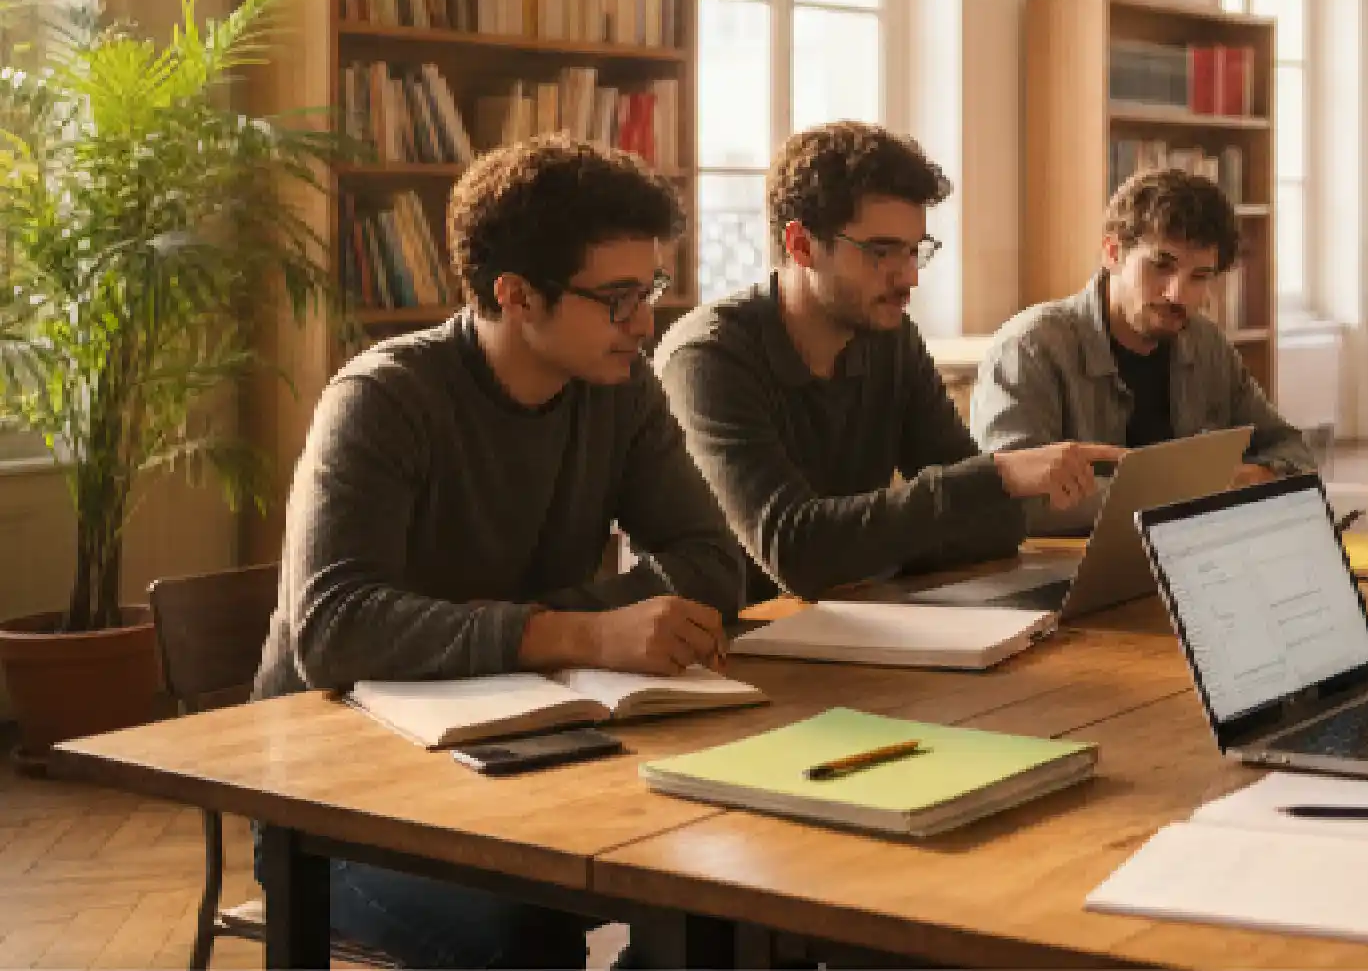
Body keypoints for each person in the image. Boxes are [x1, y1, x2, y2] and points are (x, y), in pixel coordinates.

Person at [254, 136, 746, 969]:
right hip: (337, 804)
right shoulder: (382, 399)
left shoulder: (620, 391)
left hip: (533, 766)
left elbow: (711, 564)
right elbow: (334, 628)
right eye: (619, 297)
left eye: (651, 287)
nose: (646, 321)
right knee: (526, 934)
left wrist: (560, 626)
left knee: (728, 908)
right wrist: (579, 633)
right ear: (517, 295)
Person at [657, 122, 1116, 601]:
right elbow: (796, 552)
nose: (909, 277)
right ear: (801, 246)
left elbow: (995, 526)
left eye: (915, 250)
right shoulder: (707, 359)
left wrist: (873, 541)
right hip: (722, 643)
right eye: (881, 252)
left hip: (851, 622)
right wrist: (994, 478)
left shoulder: (889, 338)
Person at [973, 167, 1312, 532]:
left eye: (1199, 277)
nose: (1177, 294)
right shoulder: (1030, 348)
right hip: (1061, 569)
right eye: (1160, 266)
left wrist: (1251, 476)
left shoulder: (1207, 344)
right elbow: (1013, 499)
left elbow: (1292, 452)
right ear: (1112, 252)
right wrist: (1189, 492)